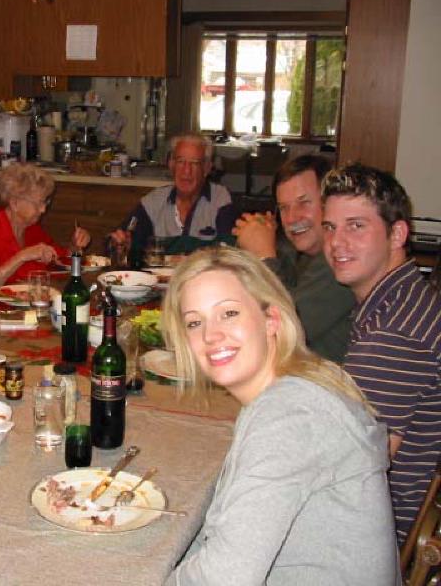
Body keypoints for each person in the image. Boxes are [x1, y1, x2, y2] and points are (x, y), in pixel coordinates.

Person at [163, 246, 397, 584]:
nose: (210, 335)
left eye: (229, 313)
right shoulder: (297, 386)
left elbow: (225, 578)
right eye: (195, 322)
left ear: (271, 319)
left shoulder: (289, 416)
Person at [322, 163, 441, 548]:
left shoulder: (394, 333)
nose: (337, 243)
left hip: (372, 537)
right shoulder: (400, 298)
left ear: (398, 233)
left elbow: (345, 471)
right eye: (330, 227)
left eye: (356, 226)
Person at [233, 154, 355, 363]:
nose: (291, 218)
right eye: (283, 207)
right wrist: (257, 239)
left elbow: (281, 331)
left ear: (330, 203)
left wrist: (264, 256)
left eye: (304, 203)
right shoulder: (304, 254)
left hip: (325, 389)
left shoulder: (340, 260)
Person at [0, 163, 91, 295]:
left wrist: (75, 246)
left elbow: (59, 261)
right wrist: (21, 257)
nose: (43, 209)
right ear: (15, 203)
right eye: (38, 203)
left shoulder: (31, 228)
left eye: (45, 202)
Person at [109, 133, 237, 261]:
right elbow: (121, 241)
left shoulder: (220, 199)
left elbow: (228, 253)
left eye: (194, 163)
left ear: (206, 168)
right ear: (171, 165)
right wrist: (120, 245)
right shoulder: (153, 202)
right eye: (181, 161)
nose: (186, 171)